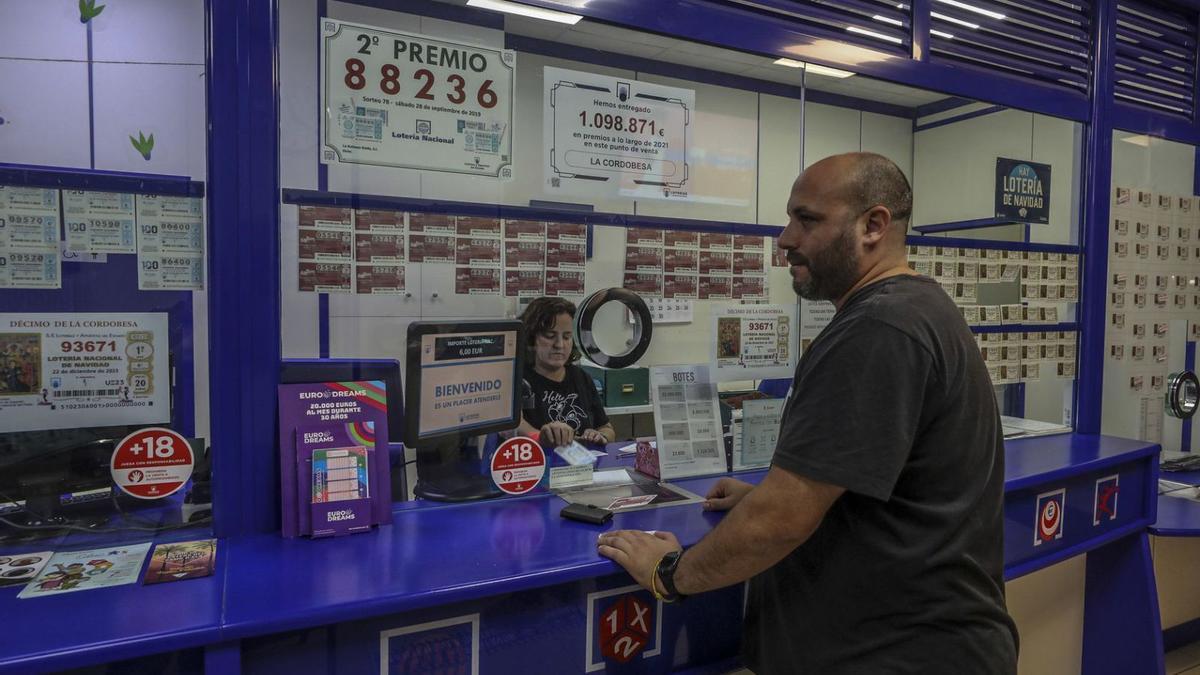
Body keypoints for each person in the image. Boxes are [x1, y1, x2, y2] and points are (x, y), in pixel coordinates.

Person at [597, 152, 1018, 673]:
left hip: (895, 654)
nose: (786, 238)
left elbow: (781, 520)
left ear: (874, 225)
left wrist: (669, 572)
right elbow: (881, 484)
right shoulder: (913, 311)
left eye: (808, 219)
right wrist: (767, 496)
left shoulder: (879, 329)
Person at [515, 297, 616, 448]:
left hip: (582, 466)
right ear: (531, 339)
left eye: (567, 337)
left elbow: (607, 428)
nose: (559, 345)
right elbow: (516, 426)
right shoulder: (518, 380)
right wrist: (542, 437)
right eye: (550, 336)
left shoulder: (581, 377)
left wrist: (600, 436)